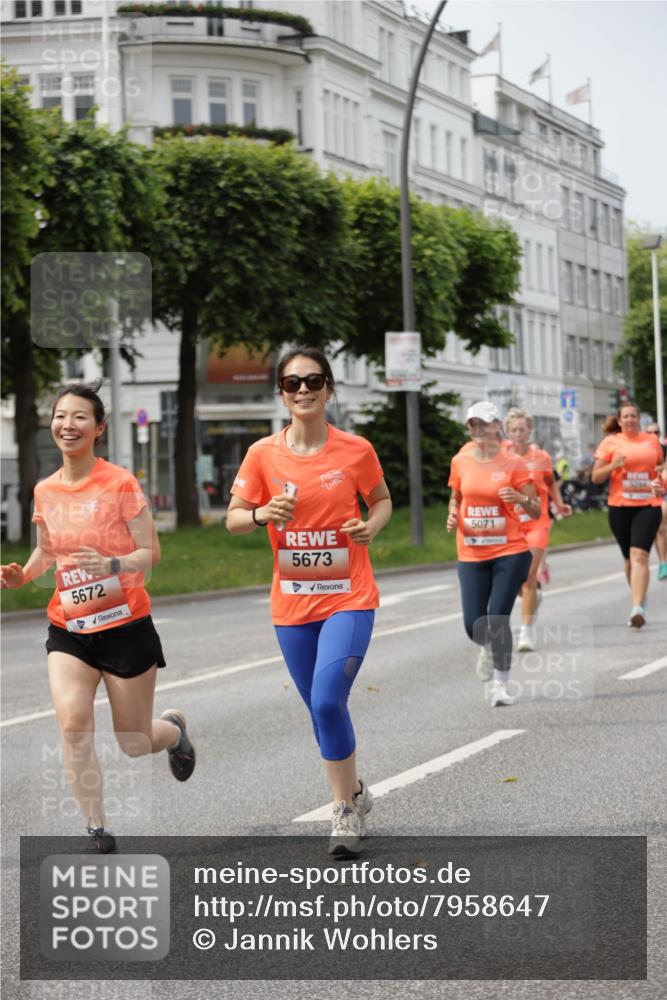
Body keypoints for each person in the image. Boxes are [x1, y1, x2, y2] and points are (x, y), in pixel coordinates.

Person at [0, 383, 196, 853]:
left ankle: (173, 733)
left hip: (124, 626)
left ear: (99, 428)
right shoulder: (44, 490)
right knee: (72, 724)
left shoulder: (119, 483)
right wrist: (22, 576)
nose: (68, 424)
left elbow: (152, 552)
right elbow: (48, 551)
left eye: (80, 417)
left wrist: (112, 565)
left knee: (133, 741)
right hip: (69, 627)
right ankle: (97, 827)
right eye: (60, 416)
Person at [226, 347, 391, 857]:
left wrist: (371, 526)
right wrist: (261, 514)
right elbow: (233, 517)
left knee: (326, 699)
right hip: (292, 605)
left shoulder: (355, 450)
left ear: (329, 389)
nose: (302, 390)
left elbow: (382, 499)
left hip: (349, 596)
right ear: (281, 392)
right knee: (322, 711)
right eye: (291, 382)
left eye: (313, 381)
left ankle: (341, 813)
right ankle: (357, 793)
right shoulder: (262, 455)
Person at [447, 401, 539, 707]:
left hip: (509, 550)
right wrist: (452, 514)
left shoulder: (513, 463)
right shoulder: (460, 460)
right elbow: (456, 499)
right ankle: (487, 646)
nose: (479, 430)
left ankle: (501, 685)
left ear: (497, 426)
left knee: (498, 616)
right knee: (473, 623)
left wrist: (519, 499)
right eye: (473, 424)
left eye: (485, 424)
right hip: (471, 552)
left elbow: (536, 508)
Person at [503, 409, 572, 651]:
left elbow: (551, 484)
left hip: (536, 523)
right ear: (507, 432)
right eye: (514, 430)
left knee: (529, 577)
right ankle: (533, 601)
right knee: (514, 581)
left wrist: (560, 505)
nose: (518, 434)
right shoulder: (501, 455)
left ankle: (526, 633)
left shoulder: (541, 457)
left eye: (522, 430)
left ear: (529, 431)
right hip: (510, 525)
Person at [592, 401, 664, 626]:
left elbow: (659, 468)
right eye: (626, 417)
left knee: (640, 555)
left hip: (648, 506)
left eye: (634, 416)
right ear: (620, 420)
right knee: (628, 560)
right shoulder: (610, 443)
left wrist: (659, 482)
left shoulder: (651, 441)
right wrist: (613, 466)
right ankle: (639, 597)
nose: (630, 420)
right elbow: (596, 478)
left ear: (639, 418)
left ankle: (636, 608)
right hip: (620, 507)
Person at [646, 422, 667, 580]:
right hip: (649, 493)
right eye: (649, 432)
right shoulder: (641, 449)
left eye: (656, 432)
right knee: (658, 529)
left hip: (664, 490)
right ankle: (662, 563)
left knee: (661, 528)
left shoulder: (663, 448)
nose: (653, 435)